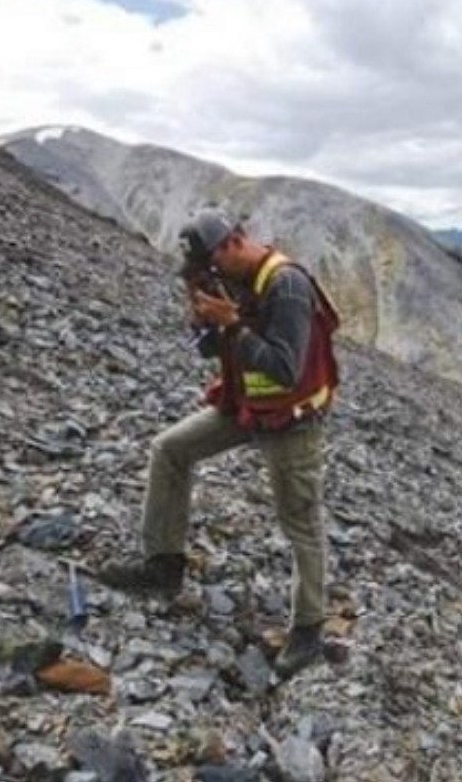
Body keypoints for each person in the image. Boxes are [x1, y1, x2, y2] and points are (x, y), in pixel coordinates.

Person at [101, 207, 340, 678]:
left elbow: (285, 367)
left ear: (234, 242)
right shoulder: (231, 280)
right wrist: (204, 323)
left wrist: (231, 324)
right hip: (246, 406)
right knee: (170, 449)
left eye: (215, 263)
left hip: (291, 420)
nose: (213, 274)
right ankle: (162, 564)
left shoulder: (286, 284)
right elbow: (215, 350)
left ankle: (309, 628)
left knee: (300, 521)